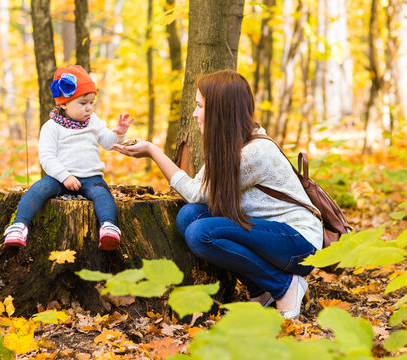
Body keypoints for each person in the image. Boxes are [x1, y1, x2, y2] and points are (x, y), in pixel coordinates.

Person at [112, 69, 323, 319]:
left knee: (201, 233)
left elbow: (193, 192)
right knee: (189, 217)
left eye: (200, 106)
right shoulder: (232, 145)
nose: (194, 114)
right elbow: (196, 197)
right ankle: (261, 290)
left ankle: (284, 285)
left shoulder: (253, 153)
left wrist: (152, 151)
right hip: (267, 234)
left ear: (221, 110)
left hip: (298, 243)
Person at [4, 65, 133, 251]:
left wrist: (118, 134)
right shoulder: (51, 127)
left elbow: (107, 142)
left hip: (90, 178)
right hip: (59, 178)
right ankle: (19, 226)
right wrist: (65, 176)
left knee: (102, 194)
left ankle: (108, 227)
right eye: (83, 103)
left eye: (91, 102)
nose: (89, 108)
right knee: (37, 189)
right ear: (63, 104)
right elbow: (47, 157)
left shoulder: (93, 121)